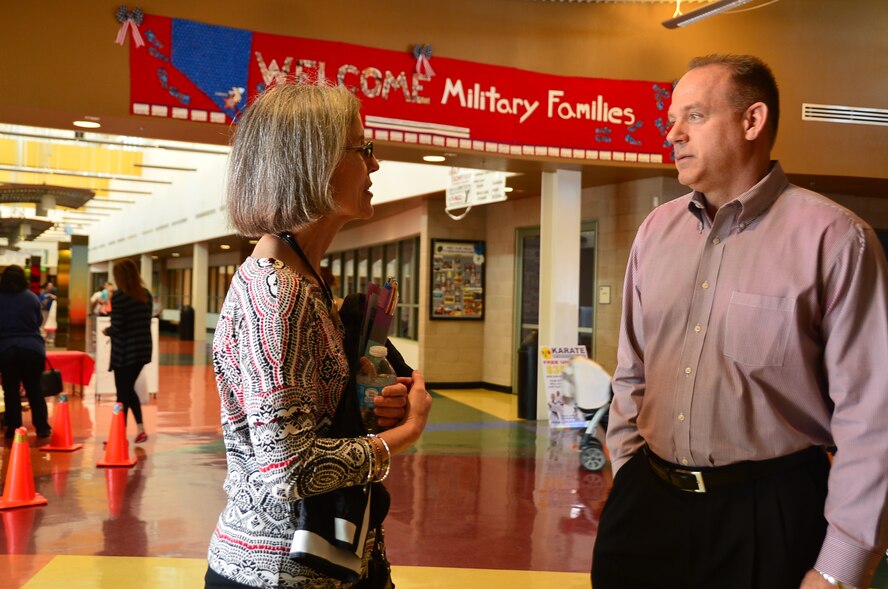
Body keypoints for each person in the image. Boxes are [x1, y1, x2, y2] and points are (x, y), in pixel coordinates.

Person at [591, 54, 888, 589]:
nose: (674, 134)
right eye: (672, 121)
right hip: (647, 505)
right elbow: (631, 370)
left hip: (768, 515)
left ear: (752, 121)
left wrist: (837, 570)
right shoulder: (655, 232)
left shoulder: (837, 241)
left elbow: (872, 419)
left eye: (695, 117)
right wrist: (627, 470)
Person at [204, 81, 432, 589]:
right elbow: (287, 471)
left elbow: (306, 424)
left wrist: (368, 410)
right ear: (314, 160)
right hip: (280, 570)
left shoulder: (304, 282)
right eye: (363, 149)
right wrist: (405, 433)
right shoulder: (276, 295)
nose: (375, 166)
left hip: (332, 557)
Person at [102, 259, 152, 444]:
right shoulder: (145, 294)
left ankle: (117, 436)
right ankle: (140, 429)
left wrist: (106, 331)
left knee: (122, 394)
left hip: (124, 352)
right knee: (127, 390)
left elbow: (118, 327)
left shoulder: (119, 297)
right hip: (141, 351)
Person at [0, 265, 52, 439]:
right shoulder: (31, 297)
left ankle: (14, 429)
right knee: (35, 389)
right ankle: (42, 428)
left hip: (6, 350)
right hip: (32, 349)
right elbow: (37, 321)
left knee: (11, 391)